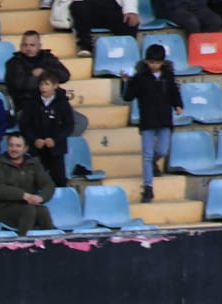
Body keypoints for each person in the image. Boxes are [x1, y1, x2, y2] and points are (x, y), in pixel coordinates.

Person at [122, 44, 180, 204]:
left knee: (162, 149)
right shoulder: (140, 77)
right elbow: (127, 97)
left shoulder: (168, 76)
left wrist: (178, 105)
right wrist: (125, 82)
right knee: (147, 155)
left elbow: (174, 92)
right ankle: (148, 187)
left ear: (162, 62)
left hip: (164, 120)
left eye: (157, 62)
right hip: (147, 120)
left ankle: (155, 163)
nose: (154, 65)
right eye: (151, 62)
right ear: (146, 61)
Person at [0, 131, 55, 229]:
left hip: (29, 206)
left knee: (42, 210)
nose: (14, 149)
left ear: (25, 148)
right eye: (11, 145)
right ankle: (23, 242)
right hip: (4, 210)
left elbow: (48, 185)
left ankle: (52, 240)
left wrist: (41, 197)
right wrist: (23, 195)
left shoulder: (34, 163)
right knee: (29, 210)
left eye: (18, 146)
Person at [16, 75, 73, 186]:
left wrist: (55, 140)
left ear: (55, 86)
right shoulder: (31, 102)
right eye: (41, 84)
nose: (43, 87)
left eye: (47, 84)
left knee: (59, 180)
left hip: (56, 150)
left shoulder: (62, 103)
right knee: (34, 181)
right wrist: (34, 140)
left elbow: (68, 125)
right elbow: (24, 125)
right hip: (37, 150)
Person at [2, 30, 68, 109]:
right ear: (20, 46)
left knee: (81, 120)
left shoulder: (48, 57)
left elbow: (65, 76)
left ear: (39, 46)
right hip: (27, 104)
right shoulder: (13, 63)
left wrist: (45, 72)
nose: (28, 48)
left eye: (32, 45)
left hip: (54, 102)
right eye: (25, 45)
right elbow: (18, 86)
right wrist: (38, 78)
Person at [67, 0, 137, 56]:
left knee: (129, 18)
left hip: (112, 7)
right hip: (88, 7)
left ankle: (128, 53)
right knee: (78, 6)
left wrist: (130, 10)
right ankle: (86, 46)